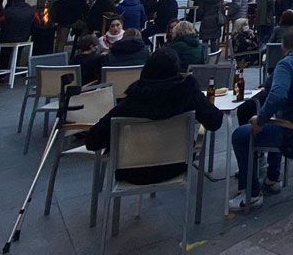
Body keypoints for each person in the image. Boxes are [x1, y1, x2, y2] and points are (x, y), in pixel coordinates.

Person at [86, 48, 224, 185]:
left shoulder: (132, 101)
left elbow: (93, 141)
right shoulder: (187, 93)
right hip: (177, 165)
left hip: (133, 171)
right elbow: (215, 121)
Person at [229, 27, 293, 210]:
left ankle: (251, 194)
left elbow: (278, 96)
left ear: (283, 47)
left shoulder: (287, 64)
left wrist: (260, 119)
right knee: (277, 118)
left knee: (240, 136)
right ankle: (273, 177)